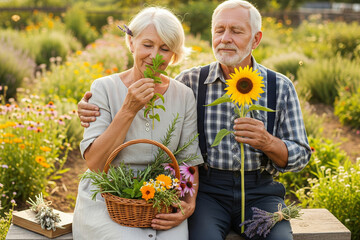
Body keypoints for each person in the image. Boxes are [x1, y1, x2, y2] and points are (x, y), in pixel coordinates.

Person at [77, 1, 311, 239]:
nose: (225, 38)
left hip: (260, 192)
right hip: (209, 192)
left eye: (236, 31)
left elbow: (301, 156)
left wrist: (268, 142)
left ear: (256, 39)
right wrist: (91, 106)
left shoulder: (278, 86)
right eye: (219, 30)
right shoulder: (191, 82)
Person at [72, 6, 204, 240]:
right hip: (108, 197)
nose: (154, 55)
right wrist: (128, 108)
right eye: (147, 45)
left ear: (174, 55)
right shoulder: (103, 88)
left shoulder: (183, 95)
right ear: (131, 43)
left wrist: (189, 203)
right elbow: (95, 163)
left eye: (164, 48)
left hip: (161, 198)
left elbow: (188, 160)